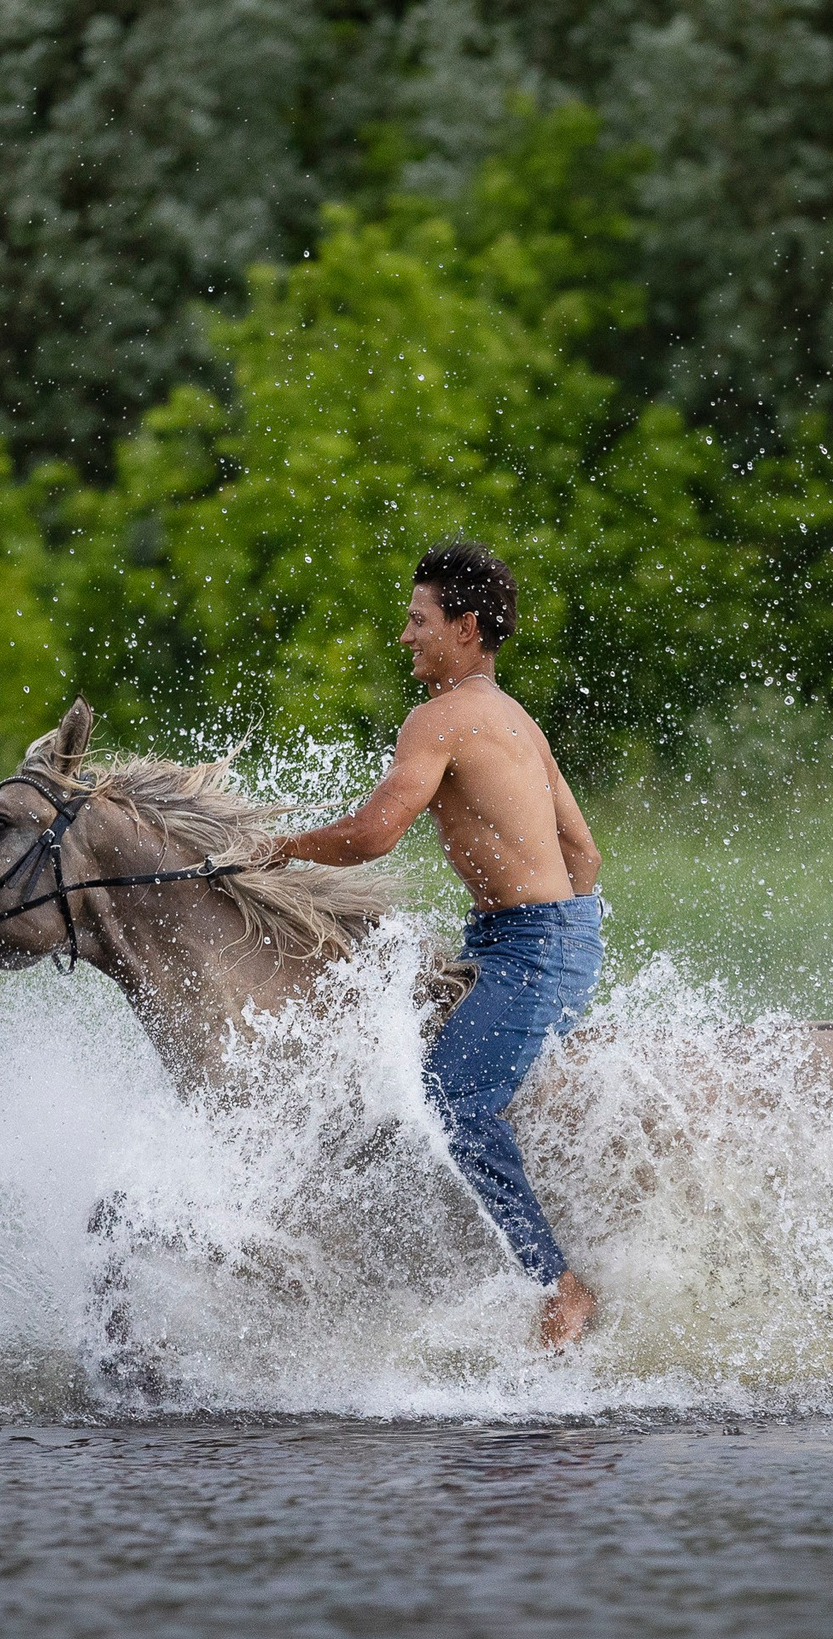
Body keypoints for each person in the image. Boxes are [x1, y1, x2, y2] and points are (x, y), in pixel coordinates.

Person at [262, 541, 604, 1350]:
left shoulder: (439, 718)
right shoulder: (517, 716)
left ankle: (559, 1286)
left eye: (419, 621)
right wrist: (549, 927)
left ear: (465, 627)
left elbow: (374, 834)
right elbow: (584, 855)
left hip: (527, 948)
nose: (405, 636)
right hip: (535, 938)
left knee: (456, 1103)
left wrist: (278, 849)